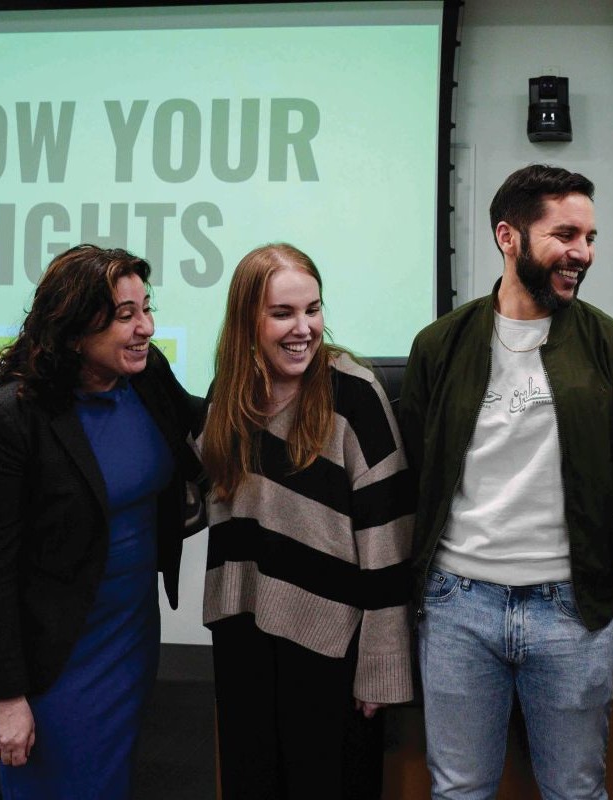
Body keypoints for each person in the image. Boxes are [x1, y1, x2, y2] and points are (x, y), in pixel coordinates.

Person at [397, 164, 613, 799]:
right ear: (508, 236)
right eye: (566, 235)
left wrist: (593, 570)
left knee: (576, 791)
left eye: (591, 238)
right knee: (459, 792)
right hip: (458, 605)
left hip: (570, 610)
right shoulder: (441, 345)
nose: (583, 254)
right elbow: (418, 466)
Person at [0, 244, 203, 797]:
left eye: (146, 307)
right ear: (72, 331)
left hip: (130, 633)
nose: (146, 327)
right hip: (53, 656)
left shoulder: (145, 374)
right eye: (125, 315)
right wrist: (9, 697)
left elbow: (203, 423)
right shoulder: (8, 420)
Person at [198, 243, 413, 799]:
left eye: (312, 310)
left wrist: (383, 661)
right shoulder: (228, 397)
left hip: (330, 648)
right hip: (243, 635)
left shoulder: (354, 394)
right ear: (248, 319)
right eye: (282, 314)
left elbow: (390, 537)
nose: (303, 328)